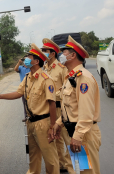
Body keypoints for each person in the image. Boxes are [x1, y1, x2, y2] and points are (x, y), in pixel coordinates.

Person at [0, 44, 59, 174]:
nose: (26, 59)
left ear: (36, 61)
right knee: (33, 159)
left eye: (29, 57)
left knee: (50, 160)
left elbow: (52, 104)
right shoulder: (28, 77)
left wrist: (52, 127)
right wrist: (1, 96)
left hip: (43, 124)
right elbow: (18, 93)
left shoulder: (46, 79)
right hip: (31, 123)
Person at [52, 36, 101, 174]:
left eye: (64, 52)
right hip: (74, 131)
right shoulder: (71, 77)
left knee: (86, 172)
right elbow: (70, 107)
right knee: (73, 169)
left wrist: (78, 136)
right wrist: (58, 123)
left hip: (84, 134)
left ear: (73, 55)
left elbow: (86, 112)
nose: (61, 55)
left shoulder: (82, 78)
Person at [41, 38, 73, 173]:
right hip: (50, 109)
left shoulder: (61, 69)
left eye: (45, 51)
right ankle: (62, 165)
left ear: (52, 53)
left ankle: (80, 167)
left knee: (69, 139)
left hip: (62, 108)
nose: (43, 53)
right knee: (57, 139)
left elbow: (68, 88)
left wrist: (55, 96)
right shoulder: (45, 68)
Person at [14, 55, 30, 120]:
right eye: (25, 60)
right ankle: (26, 116)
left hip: (30, 87)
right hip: (23, 88)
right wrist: (18, 63)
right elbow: (15, 69)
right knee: (25, 102)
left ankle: (32, 114)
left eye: (27, 60)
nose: (26, 61)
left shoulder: (30, 68)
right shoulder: (21, 67)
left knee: (31, 101)